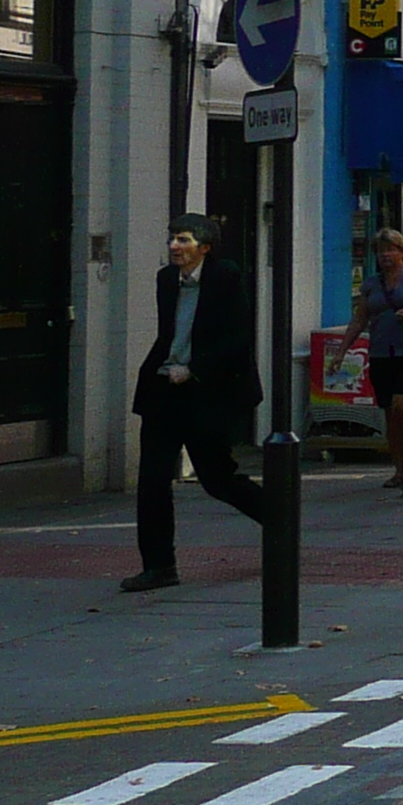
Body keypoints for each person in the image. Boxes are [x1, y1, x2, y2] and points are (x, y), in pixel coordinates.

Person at [121, 213, 268, 592]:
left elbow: (236, 339)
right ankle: (159, 566)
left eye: (183, 240)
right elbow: (171, 332)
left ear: (205, 247)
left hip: (205, 392)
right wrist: (168, 366)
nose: (174, 247)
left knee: (217, 479)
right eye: (172, 238)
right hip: (164, 390)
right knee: (152, 480)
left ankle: (278, 518)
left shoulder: (226, 277)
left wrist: (194, 368)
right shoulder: (166, 280)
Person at [354, 228, 403, 489]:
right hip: (381, 352)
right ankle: (400, 468)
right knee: (390, 415)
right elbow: (360, 318)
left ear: (402, 251)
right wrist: (342, 350)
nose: (385, 255)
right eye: (381, 251)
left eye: (391, 249)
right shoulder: (371, 284)